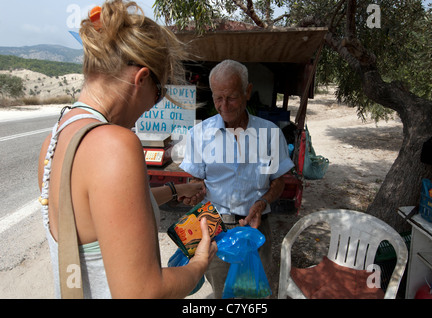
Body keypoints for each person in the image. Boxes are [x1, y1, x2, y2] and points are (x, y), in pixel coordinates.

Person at [37, 0, 216, 299]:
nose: (151, 107)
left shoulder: (54, 140)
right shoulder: (114, 144)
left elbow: (104, 215)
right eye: (158, 96)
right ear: (142, 79)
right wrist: (199, 263)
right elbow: (143, 292)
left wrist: (176, 189)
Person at [180, 60, 294, 298]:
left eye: (231, 97)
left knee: (255, 292)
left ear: (247, 91)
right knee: (222, 289)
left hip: (255, 226)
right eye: (217, 98)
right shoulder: (199, 134)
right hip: (215, 226)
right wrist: (194, 192)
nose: (223, 106)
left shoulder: (269, 134)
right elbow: (195, 181)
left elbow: (279, 181)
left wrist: (262, 204)